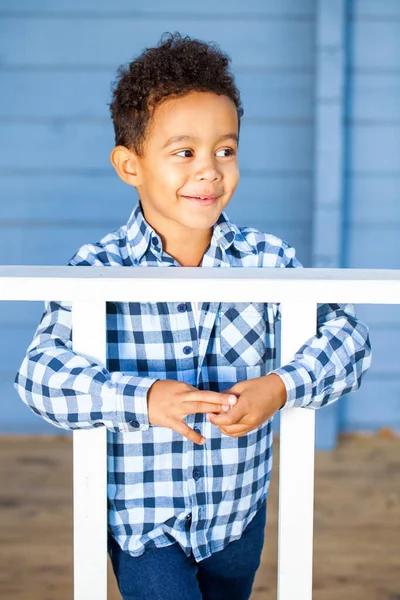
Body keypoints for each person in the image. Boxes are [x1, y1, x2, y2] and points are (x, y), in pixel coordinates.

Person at [14, 31, 372, 600]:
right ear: (129, 165)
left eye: (224, 150)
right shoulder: (98, 268)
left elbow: (348, 339)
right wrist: (142, 400)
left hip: (237, 514)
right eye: (184, 152)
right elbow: (39, 377)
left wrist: (282, 386)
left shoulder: (267, 260)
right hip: (143, 524)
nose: (209, 170)